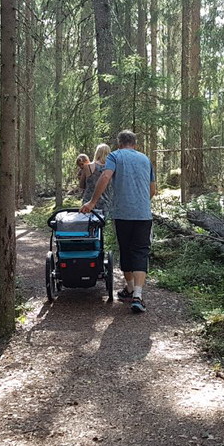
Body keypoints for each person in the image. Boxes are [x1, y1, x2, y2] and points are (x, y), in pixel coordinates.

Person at [80, 130, 156, 314]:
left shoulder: (115, 156)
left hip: (123, 213)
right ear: (135, 144)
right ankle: (135, 294)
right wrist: (141, 202)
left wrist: (92, 202)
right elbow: (152, 189)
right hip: (144, 214)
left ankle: (131, 289)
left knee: (125, 249)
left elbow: (105, 177)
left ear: (119, 143)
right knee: (140, 252)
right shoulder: (145, 159)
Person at [82, 143, 113, 214]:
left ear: (97, 152)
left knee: (88, 223)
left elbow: (82, 185)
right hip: (106, 202)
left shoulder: (88, 166)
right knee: (105, 224)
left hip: (89, 202)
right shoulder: (111, 168)